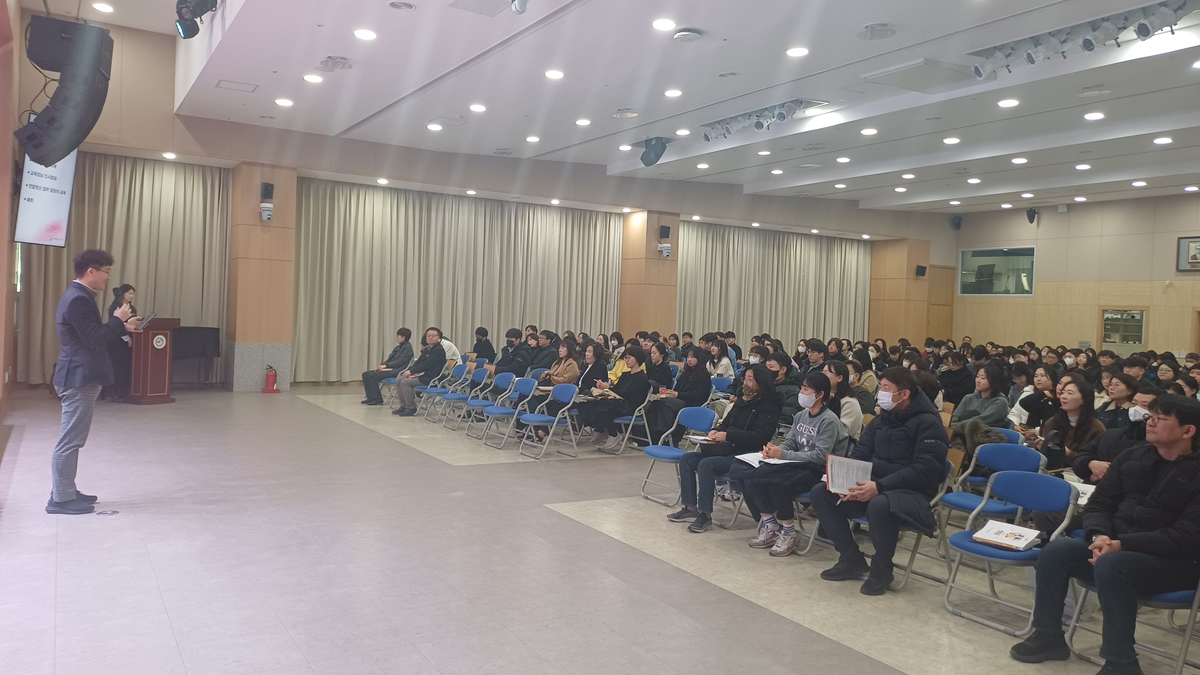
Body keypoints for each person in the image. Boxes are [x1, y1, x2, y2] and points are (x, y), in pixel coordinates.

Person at [1010, 395, 1200, 675]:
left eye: (1160, 419)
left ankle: (1121, 662)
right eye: (1150, 416)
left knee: (1114, 564)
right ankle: (1048, 636)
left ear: (1188, 430)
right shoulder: (1133, 456)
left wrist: (1121, 544)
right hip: (1115, 547)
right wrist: (1099, 536)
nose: (1150, 423)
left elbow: (1186, 537)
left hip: (1176, 562)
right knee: (1057, 550)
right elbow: (1099, 504)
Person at [810, 367, 949, 595]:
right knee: (821, 492)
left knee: (880, 504)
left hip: (913, 492)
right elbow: (861, 452)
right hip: (874, 485)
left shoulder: (929, 424)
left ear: (904, 394)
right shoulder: (881, 420)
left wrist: (880, 487)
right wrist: (846, 480)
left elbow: (924, 469)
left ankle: (882, 570)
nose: (880, 394)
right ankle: (851, 559)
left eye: (886, 388)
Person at [47, 250, 143, 515]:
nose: (108, 277)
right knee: (71, 440)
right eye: (106, 271)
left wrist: (123, 327)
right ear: (91, 271)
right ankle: (61, 499)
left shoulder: (78, 295)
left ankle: (65, 489)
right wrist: (117, 320)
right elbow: (93, 338)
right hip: (78, 377)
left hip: (80, 375)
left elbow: (92, 334)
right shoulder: (78, 298)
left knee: (74, 439)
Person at [733, 372, 850, 556]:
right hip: (796, 464)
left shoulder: (829, 420)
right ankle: (771, 526)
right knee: (749, 475)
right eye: (801, 388)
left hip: (818, 470)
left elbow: (821, 456)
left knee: (778, 482)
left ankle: (789, 532)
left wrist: (783, 454)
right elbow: (791, 443)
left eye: (806, 389)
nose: (801, 393)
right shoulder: (801, 415)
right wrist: (774, 451)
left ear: (819, 394)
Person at [667, 365, 781, 533]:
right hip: (727, 448)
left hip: (746, 454)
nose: (746, 383)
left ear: (761, 382)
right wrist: (716, 431)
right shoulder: (742, 399)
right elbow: (726, 423)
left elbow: (761, 436)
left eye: (750, 379)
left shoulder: (769, 405)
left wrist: (728, 435)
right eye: (745, 378)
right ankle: (690, 508)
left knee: (706, 464)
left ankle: (705, 515)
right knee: (687, 459)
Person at [577, 346, 652, 451]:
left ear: (637, 359)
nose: (626, 360)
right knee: (592, 404)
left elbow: (629, 395)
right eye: (626, 358)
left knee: (603, 409)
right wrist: (604, 388)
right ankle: (600, 429)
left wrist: (609, 388)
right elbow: (617, 390)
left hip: (630, 406)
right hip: (619, 402)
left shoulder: (642, 378)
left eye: (629, 358)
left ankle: (613, 433)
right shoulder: (625, 375)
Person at [1031, 379, 1105, 472]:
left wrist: (1067, 453)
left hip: (1079, 473)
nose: (1064, 397)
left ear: (1083, 400)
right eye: (1063, 393)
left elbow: (1095, 461)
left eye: (1070, 393)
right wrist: (1042, 448)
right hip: (1051, 470)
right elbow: (1044, 458)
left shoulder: (1096, 428)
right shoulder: (1052, 422)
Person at [646, 349, 712, 446]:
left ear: (699, 358)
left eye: (693, 357)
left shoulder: (704, 375)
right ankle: (656, 434)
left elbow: (698, 395)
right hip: (680, 399)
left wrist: (677, 394)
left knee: (665, 403)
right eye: (688, 357)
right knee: (657, 401)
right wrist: (671, 393)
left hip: (692, 403)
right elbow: (677, 389)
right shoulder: (686, 372)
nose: (689, 359)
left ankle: (669, 434)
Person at [394, 328, 448, 417]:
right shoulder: (428, 349)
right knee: (399, 379)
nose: (430, 337)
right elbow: (419, 362)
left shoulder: (438, 350)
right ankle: (403, 405)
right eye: (428, 336)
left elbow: (427, 364)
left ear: (439, 338)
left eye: (433, 336)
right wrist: (410, 371)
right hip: (422, 375)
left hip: (430, 378)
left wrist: (412, 371)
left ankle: (410, 407)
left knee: (405, 382)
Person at [102, 283, 137, 402]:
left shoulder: (132, 309)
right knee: (118, 366)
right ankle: (115, 391)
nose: (132, 296)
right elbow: (116, 326)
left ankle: (124, 390)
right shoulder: (115, 307)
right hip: (116, 341)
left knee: (126, 366)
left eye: (133, 294)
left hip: (128, 341)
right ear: (123, 294)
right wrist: (128, 339)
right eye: (129, 293)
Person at [361, 328, 414, 406]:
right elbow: (390, 359)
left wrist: (387, 365)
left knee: (372, 376)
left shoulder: (408, 349)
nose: (397, 338)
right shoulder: (398, 348)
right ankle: (370, 397)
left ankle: (377, 399)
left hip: (396, 371)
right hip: (389, 369)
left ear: (403, 337)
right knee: (365, 374)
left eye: (398, 336)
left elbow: (400, 362)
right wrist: (383, 365)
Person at [822, 361, 864, 439]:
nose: (822, 376)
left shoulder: (849, 403)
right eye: (822, 372)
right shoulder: (823, 397)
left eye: (826, 373)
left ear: (839, 378)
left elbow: (842, 433)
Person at [1018, 365, 1062, 438]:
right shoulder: (1032, 393)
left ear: (1052, 379)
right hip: (1028, 433)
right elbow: (1023, 403)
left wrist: (1038, 431)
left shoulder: (1057, 399)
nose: (1038, 379)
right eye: (1036, 376)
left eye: (1042, 376)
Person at [766, 352, 802, 425]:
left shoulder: (793, 391)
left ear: (783, 370)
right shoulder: (762, 385)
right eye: (766, 367)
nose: (767, 370)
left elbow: (786, 417)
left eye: (771, 367)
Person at [1007, 362, 1036, 428]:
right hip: (1016, 421)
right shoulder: (1014, 388)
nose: (1017, 381)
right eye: (1014, 379)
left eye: (1020, 378)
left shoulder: (1034, 388)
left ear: (1027, 375)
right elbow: (1010, 406)